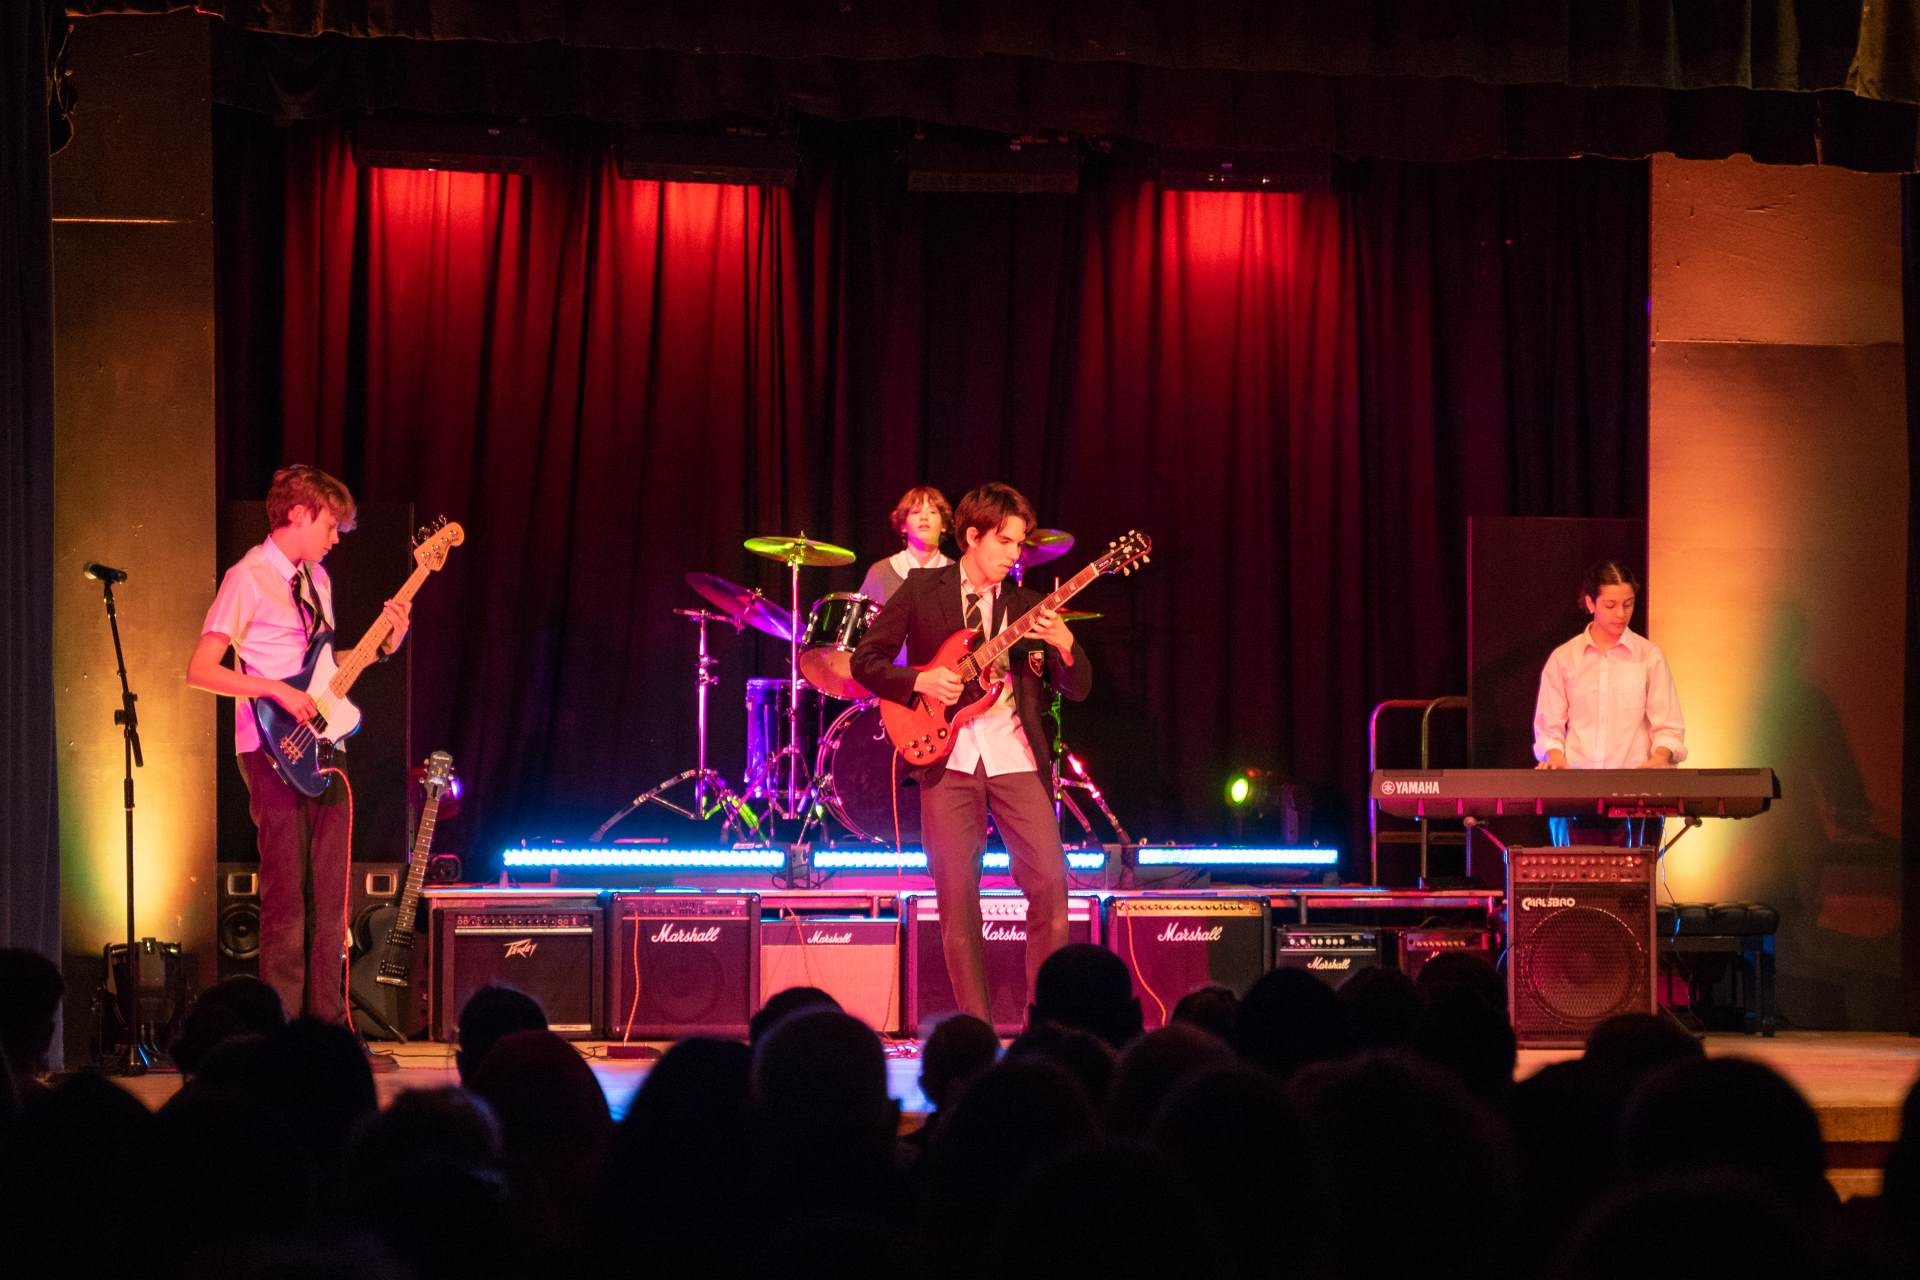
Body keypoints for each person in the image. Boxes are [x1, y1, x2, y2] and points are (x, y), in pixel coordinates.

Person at [851, 482, 1091, 1024]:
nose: (1014, 554)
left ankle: (1047, 1025)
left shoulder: (1027, 606)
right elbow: (866, 661)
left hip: (1015, 757)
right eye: (1005, 541)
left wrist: (1066, 645)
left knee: (1051, 886)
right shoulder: (921, 589)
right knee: (958, 905)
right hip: (947, 759)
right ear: (973, 536)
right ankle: (976, 1033)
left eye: (1020, 544)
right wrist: (920, 680)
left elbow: (1079, 687)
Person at [187, 466, 409, 1024]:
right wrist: (274, 690)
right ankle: (281, 1031)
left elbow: (328, 671)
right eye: (330, 525)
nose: (336, 537)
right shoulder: (248, 577)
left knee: (331, 899)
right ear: (298, 513)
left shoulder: (319, 581)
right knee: (286, 896)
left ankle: (329, 1026)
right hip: (271, 747)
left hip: (324, 748)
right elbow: (201, 670)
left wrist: (384, 645)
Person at [1531, 560, 1685, 845]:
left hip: (1635, 796)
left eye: (1628, 604)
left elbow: (1668, 726)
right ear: (1591, 603)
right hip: (1574, 795)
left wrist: (1660, 758)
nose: (1621, 614)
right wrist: (1554, 758)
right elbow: (1549, 727)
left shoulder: (1649, 656)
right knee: (1575, 872)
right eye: (1611, 605)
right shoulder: (1564, 658)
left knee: (1634, 873)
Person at [857, 485, 953, 606]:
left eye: (932, 512)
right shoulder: (880, 572)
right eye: (916, 512)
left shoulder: (955, 574)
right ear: (903, 525)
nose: (924, 517)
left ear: (944, 525)